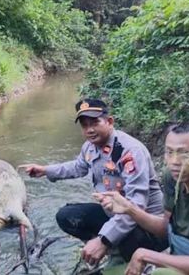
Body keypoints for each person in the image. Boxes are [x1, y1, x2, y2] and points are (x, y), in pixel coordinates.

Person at [20, 99, 167, 269]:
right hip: (114, 215)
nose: (89, 130)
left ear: (109, 122)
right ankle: (111, 248)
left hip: (146, 226)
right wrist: (46, 170)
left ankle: (122, 254)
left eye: (95, 123)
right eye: (84, 125)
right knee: (67, 216)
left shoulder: (129, 151)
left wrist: (103, 240)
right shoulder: (89, 147)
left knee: (120, 238)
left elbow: (137, 205)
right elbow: (78, 167)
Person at [95, 122, 189, 275]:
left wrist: (145, 255)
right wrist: (129, 209)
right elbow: (165, 229)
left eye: (184, 154)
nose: (174, 161)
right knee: (111, 272)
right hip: (183, 255)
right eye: (169, 152)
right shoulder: (173, 178)